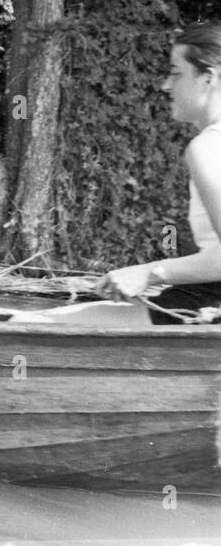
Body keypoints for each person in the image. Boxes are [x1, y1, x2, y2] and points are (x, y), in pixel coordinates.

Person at [15, 23, 221, 327]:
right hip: (201, 301)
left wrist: (147, 273)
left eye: (176, 73)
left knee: (28, 325)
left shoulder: (206, 147)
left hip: (208, 309)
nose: (166, 85)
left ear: (208, 78)